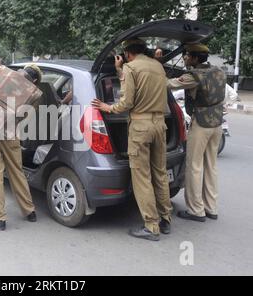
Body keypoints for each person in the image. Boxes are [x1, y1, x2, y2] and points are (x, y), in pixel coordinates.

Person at [91, 38, 172, 241]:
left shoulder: (131, 68)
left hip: (141, 127)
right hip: (160, 125)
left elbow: (126, 102)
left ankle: (151, 226)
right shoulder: (158, 67)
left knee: (142, 177)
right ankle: (165, 219)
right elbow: (144, 88)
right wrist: (121, 71)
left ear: (127, 54)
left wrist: (108, 108)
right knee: (160, 173)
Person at [0, 59, 42, 231]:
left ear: (23, 71)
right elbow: (25, 117)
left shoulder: (5, 73)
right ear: (35, 80)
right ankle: (29, 211)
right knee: (17, 172)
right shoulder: (36, 93)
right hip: (11, 133)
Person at [167, 43, 226, 222]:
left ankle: (195, 210)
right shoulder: (218, 71)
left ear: (193, 58)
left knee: (194, 166)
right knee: (211, 166)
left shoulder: (194, 76)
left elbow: (168, 84)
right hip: (217, 124)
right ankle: (211, 208)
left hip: (201, 124)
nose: (184, 58)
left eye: (186, 55)